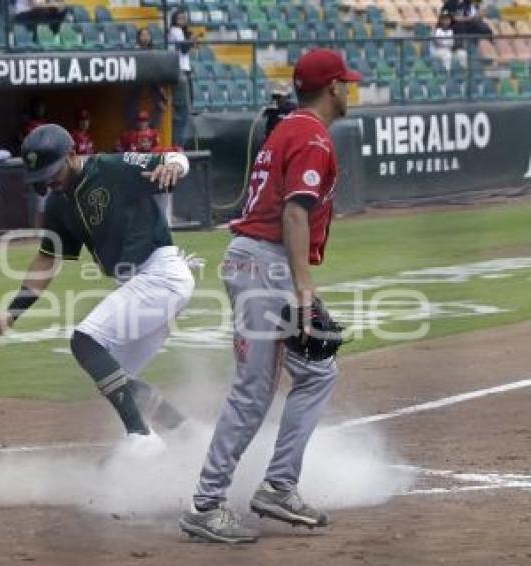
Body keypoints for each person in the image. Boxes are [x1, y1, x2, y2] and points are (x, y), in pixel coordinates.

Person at [178, 49, 361, 543]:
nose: (351, 89)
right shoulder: (311, 136)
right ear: (332, 89)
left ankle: (279, 484)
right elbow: (295, 214)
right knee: (255, 389)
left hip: (260, 262)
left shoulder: (290, 128)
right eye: (346, 82)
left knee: (317, 370)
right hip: (266, 264)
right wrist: (303, 288)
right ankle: (207, 503)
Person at [0, 124, 194, 451]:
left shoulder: (109, 167)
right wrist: (12, 313)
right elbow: (46, 261)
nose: (48, 180)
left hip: (161, 273)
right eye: (41, 175)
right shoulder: (58, 205)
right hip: (144, 283)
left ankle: (142, 441)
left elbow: (174, 158)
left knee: (85, 340)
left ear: (71, 155)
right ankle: (184, 431)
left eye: (53, 170)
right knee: (114, 376)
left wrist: (174, 166)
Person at [126, 27, 168, 128]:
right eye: (143, 35)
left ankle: (152, 128)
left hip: (152, 80)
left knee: (160, 99)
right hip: (137, 78)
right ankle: (134, 127)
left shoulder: (154, 51)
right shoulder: (135, 50)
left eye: (147, 35)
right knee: (131, 102)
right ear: (138, 37)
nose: (145, 37)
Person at [168, 8, 195, 148]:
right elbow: (183, 48)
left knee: (186, 108)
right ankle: (178, 144)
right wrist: (191, 40)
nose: (182, 21)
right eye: (179, 18)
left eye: (184, 18)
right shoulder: (175, 30)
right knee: (183, 110)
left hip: (184, 69)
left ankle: (179, 143)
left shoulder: (181, 32)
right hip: (180, 70)